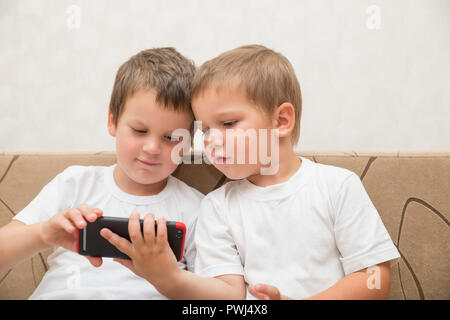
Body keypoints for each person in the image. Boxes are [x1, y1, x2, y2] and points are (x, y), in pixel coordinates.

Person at [102, 44, 400, 300]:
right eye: (204, 130)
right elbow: (227, 293)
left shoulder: (337, 186)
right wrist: (168, 277)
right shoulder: (217, 207)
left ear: (281, 120)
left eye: (228, 124)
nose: (211, 141)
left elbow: (374, 279)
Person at [0, 47, 203, 299]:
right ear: (112, 122)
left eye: (171, 137)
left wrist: (168, 274)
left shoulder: (197, 208)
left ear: (190, 141)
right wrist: (44, 233)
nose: (152, 148)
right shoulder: (75, 183)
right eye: (139, 131)